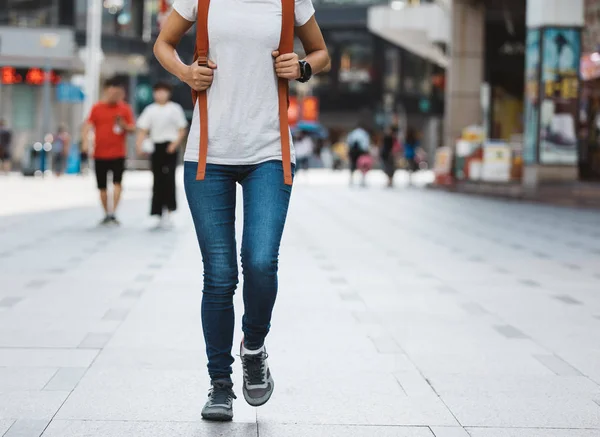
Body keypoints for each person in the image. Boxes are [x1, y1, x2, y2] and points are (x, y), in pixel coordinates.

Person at [154, 0, 329, 421]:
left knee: (261, 261)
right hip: (207, 154)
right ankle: (219, 386)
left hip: (269, 152)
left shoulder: (289, 2)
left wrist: (302, 68)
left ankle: (253, 347)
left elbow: (321, 53)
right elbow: (164, 43)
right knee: (219, 275)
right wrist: (185, 73)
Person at [82, 77, 135, 226]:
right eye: (112, 92)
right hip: (99, 154)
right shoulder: (97, 108)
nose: (115, 96)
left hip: (118, 153)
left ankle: (113, 212)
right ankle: (106, 213)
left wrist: (123, 125)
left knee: (117, 183)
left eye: (118, 93)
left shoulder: (125, 109)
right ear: (106, 91)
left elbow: (132, 128)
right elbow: (87, 125)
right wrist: (85, 142)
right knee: (102, 187)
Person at [136, 82, 188, 228]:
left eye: (163, 92)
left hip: (170, 146)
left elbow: (182, 128)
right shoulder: (150, 110)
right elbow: (143, 129)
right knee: (157, 179)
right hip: (156, 146)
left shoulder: (174, 109)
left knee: (169, 178)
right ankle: (157, 212)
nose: (160, 95)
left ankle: (170, 210)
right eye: (158, 92)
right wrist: (139, 145)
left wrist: (175, 144)